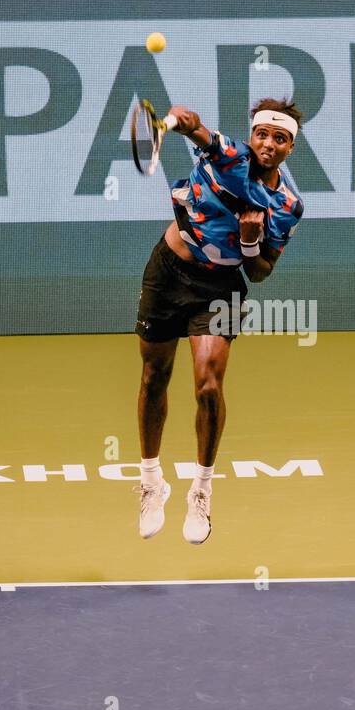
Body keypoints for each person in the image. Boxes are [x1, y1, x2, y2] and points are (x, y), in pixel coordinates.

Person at [133, 97, 305, 544]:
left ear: (290, 148)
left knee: (208, 384)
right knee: (155, 375)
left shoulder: (286, 205)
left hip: (219, 289)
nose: (268, 143)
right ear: (252, 136)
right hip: (168, 271)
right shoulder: (228, 154)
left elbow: (261, 271)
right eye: (263, 134)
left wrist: (251, 244)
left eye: (280, 138)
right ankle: (152, 481)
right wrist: (171, 121)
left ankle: (201, 492)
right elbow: (194, 125)